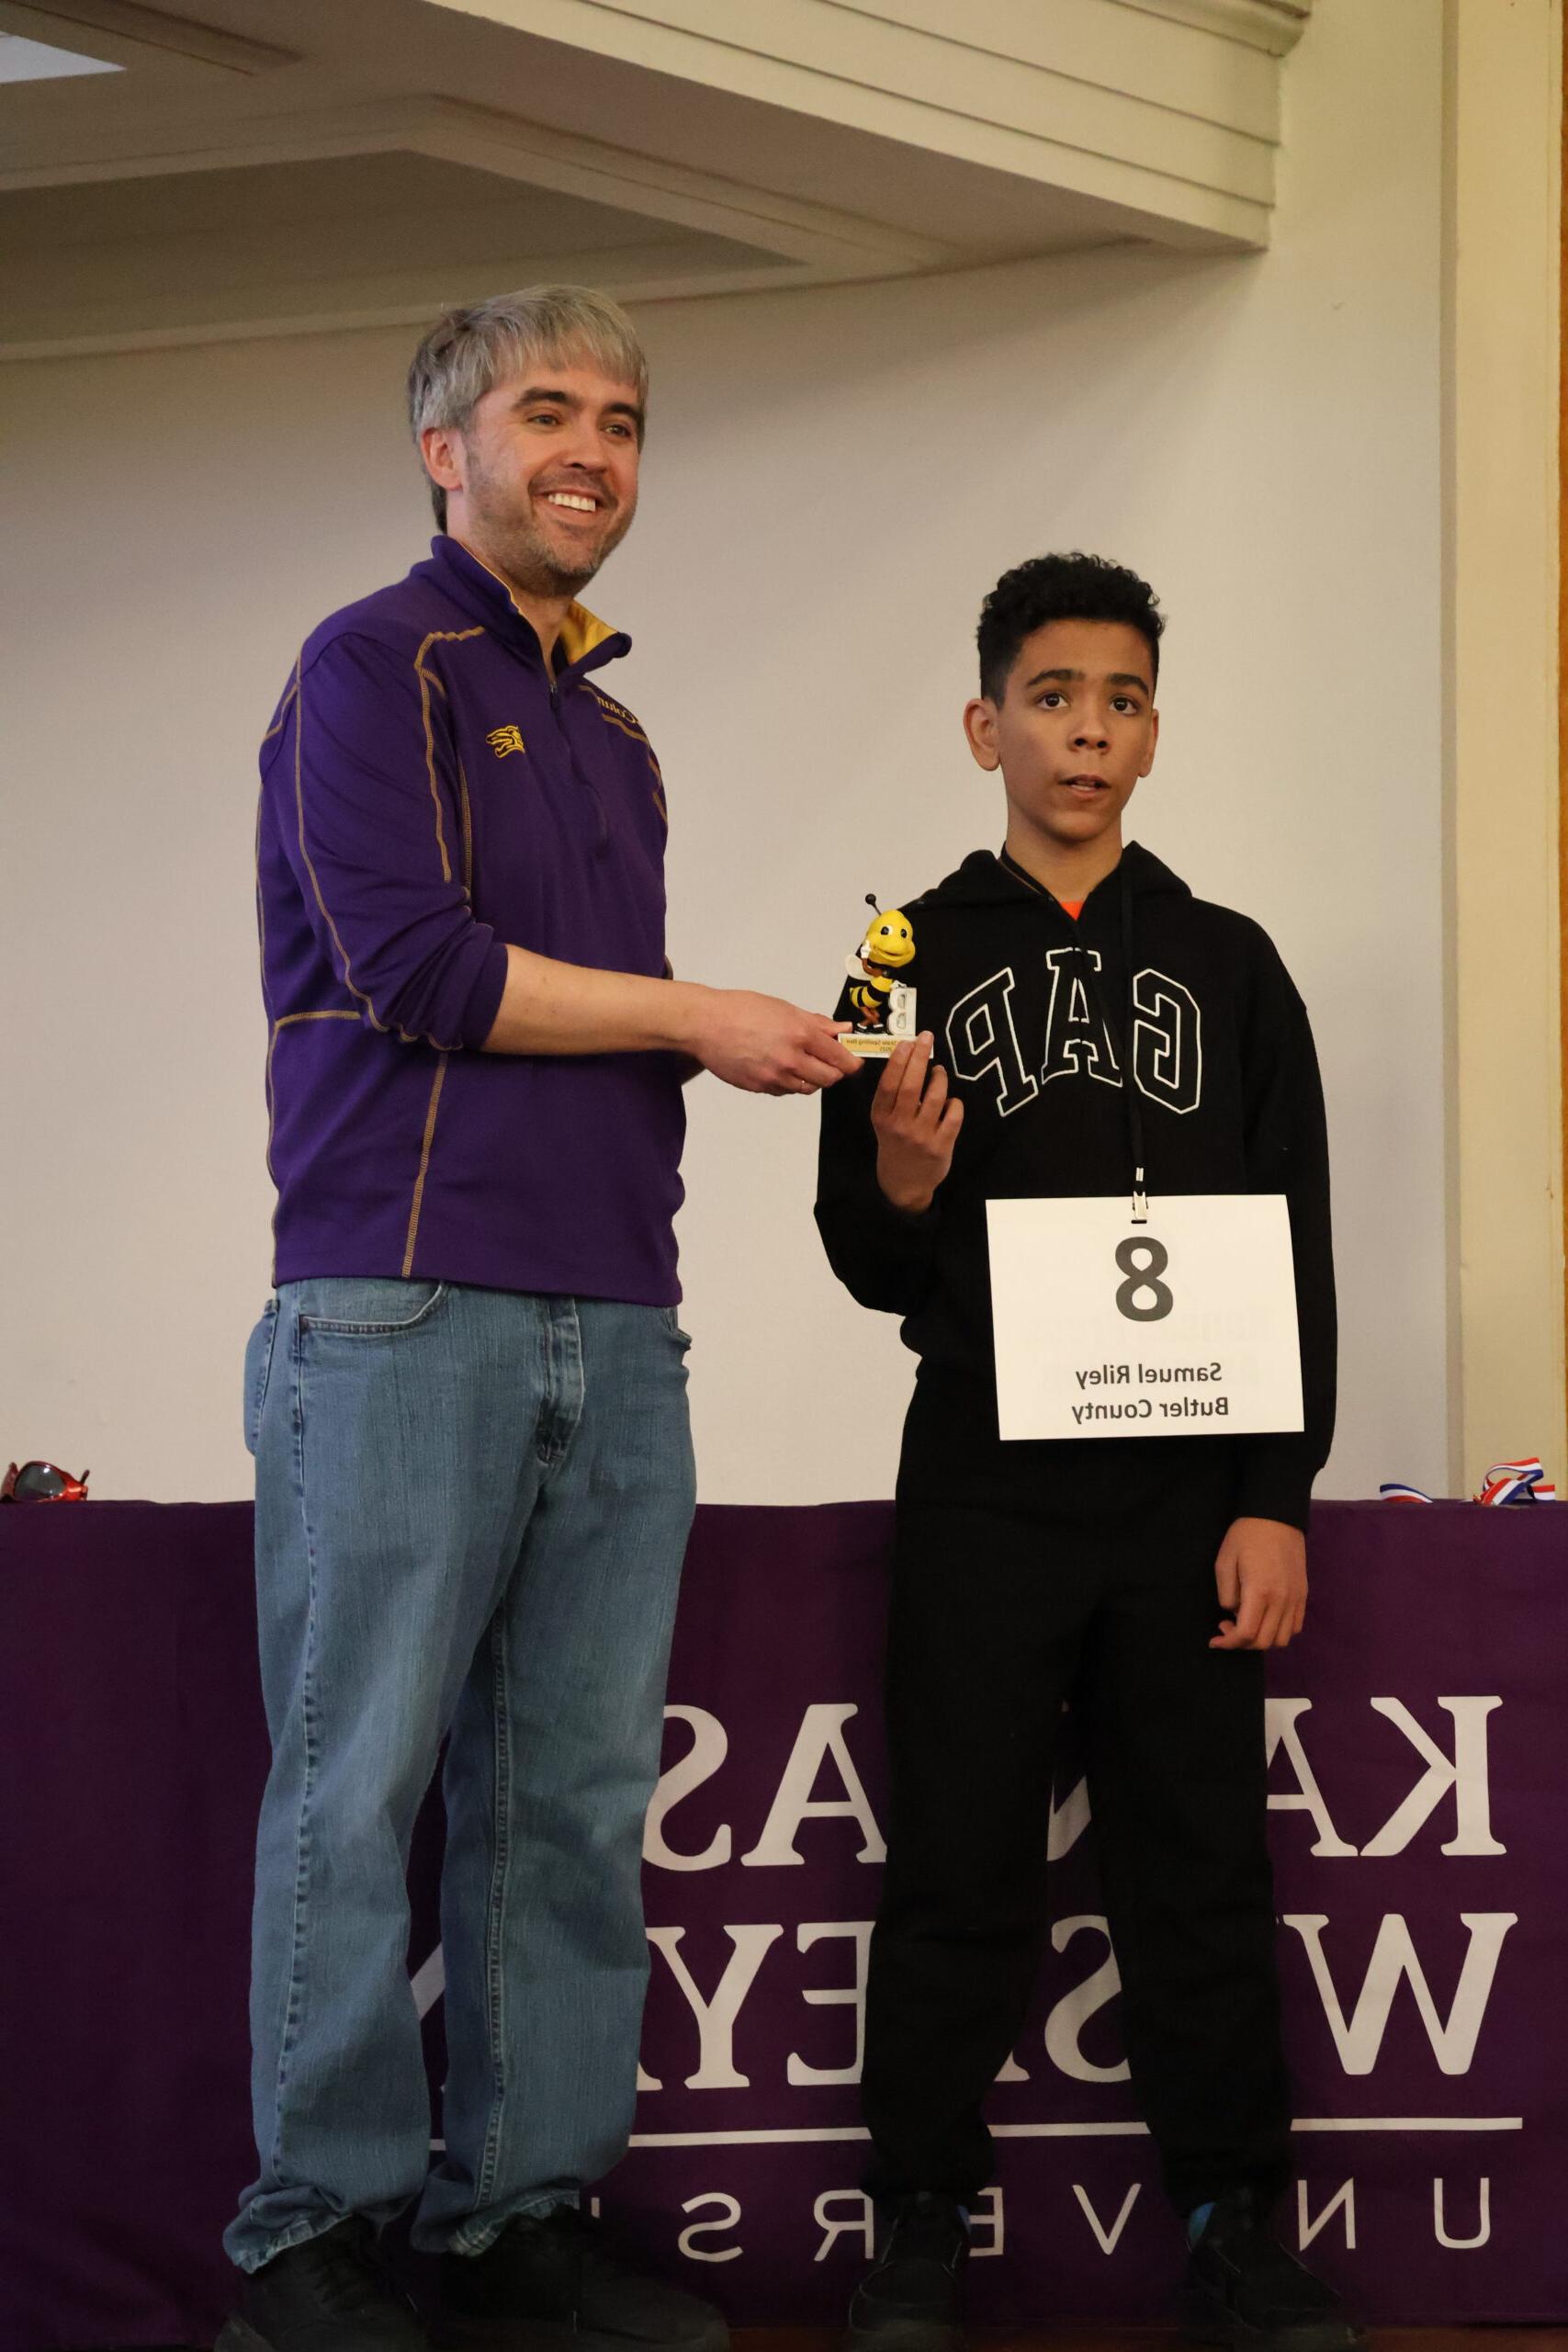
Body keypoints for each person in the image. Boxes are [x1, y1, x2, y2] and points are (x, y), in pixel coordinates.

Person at [221, 284, 861, 2352]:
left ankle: (521, 2220)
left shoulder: (612, 729)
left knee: (572, 1796)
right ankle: (311, 2236)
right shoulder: (366, 661)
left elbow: (583, 1034)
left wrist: (751, 1057)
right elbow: (417, 970)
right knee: (356, 1779)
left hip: (618, 1315)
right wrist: (698, 1011)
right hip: (402, 1308)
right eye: (543, 411)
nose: (589, 448)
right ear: (445, 449)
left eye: (622, 419)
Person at [815, 554, 1360, 2352]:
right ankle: (912, 2230)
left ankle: (1234, 2223)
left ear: (1150, 730)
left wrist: (1272, 1492)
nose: (1085, 727)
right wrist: (898, 1183)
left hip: (1182, 1491)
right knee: (954, 1860)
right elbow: (862, 1252)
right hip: (981, 1475)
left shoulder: (1226, 963)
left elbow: (1291, 1241)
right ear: (986, 723)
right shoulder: (902, 951)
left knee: (1195, 1861)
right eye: (1051, 695)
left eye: (1118, 696)